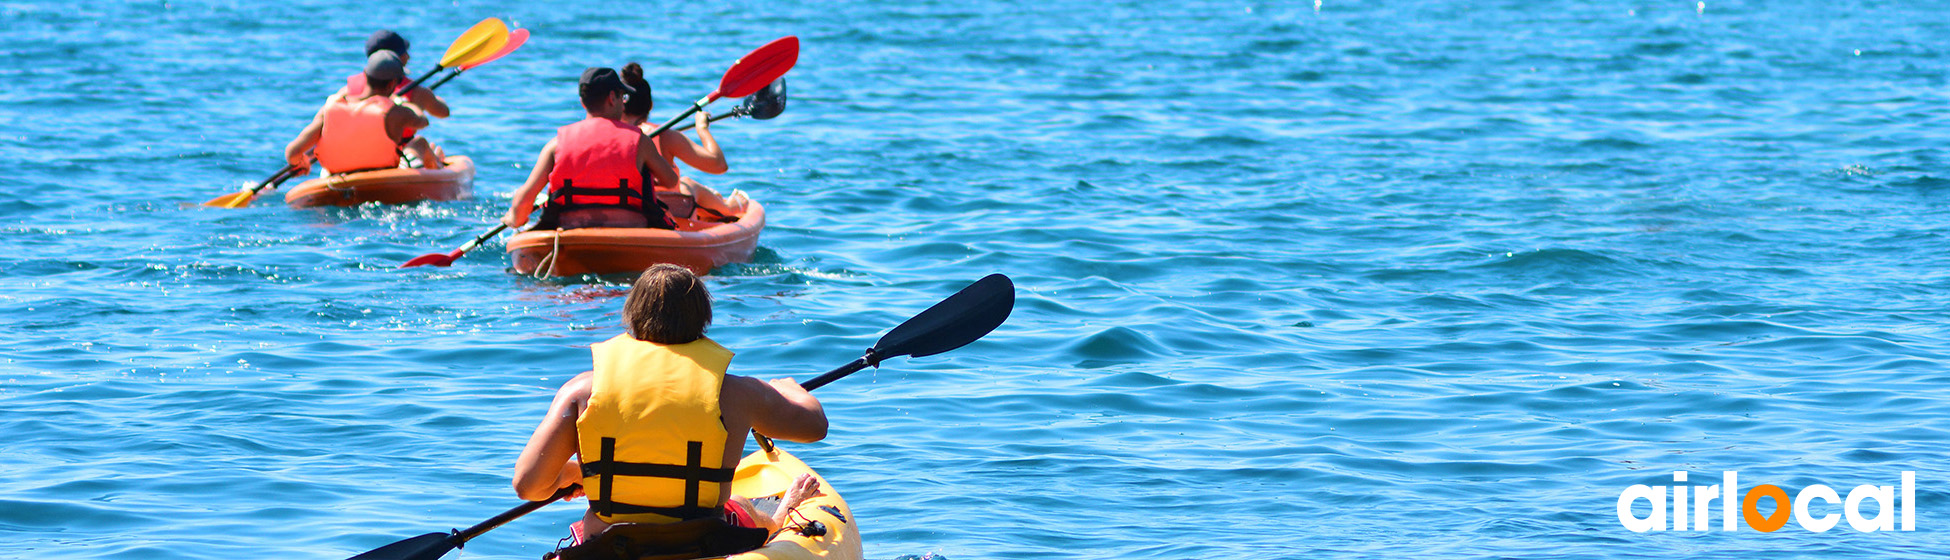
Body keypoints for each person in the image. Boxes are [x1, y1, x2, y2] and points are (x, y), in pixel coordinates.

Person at [511, 264, 829, 548]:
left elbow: (528, 486)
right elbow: (815, 427)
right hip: (703, 543)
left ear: (631, 318)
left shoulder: (581, 391)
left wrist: (572, 474)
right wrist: (789, 389)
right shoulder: (739, 392)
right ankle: (779, 519)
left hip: (613, 546)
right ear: (703, 320)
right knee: (742, 505)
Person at [501, 67, 685, 230]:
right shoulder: (640, 141)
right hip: (630, 227)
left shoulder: (556, 144)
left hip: (570, 228)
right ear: (612, 98)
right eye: (623, 97)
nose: (624, 103)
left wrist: (515, 219)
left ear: (583, 103)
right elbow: (670, 181)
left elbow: (525, 198)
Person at [284, 51, 445, 175]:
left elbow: (292, 153)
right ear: (392, 84)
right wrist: (403, 102)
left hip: (340, 176)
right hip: (382, 178)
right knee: (419, 143)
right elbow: (423, 121)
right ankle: (435, 167)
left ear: (365, 75)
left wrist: (303, 162)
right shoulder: (394, 112)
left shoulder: (331, 107)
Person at [618, 63, 742, 221]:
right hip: (667, 211)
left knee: (686, 185)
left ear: (616, 104)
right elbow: (718, 166)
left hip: (625, 208)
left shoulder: (609, 136)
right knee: (689, 184)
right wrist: (702, 129)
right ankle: (729, 208)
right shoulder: (666, 136)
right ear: (650, 105)